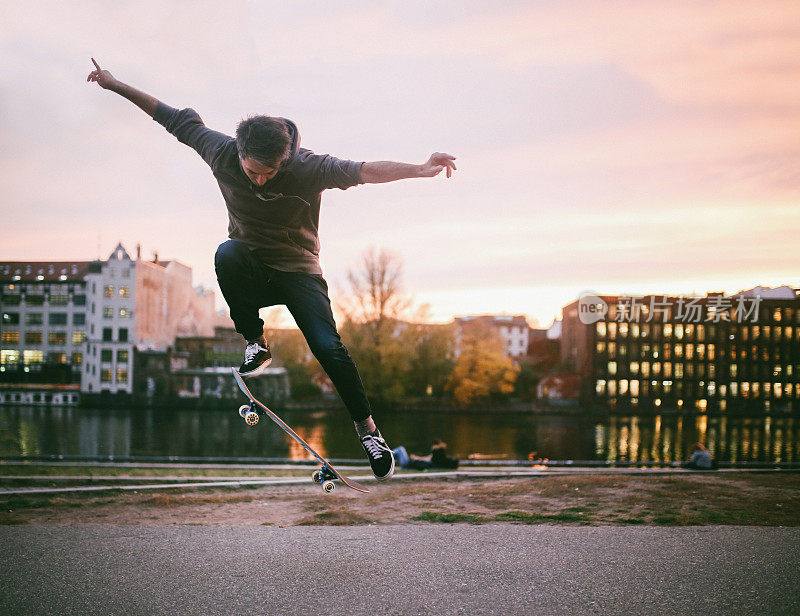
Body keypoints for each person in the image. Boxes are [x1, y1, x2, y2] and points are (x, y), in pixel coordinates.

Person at [87, 58, 456, 482]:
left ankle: (368, 432)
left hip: (300, 271)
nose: (260, 182)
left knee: (328, 347)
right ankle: (255, 341)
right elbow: (167, 116)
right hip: (252, 268)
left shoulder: (309, 167)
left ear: (285, 159)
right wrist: (113, 84)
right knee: (226, 253)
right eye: (252, 173)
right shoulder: (219, 150)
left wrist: (420, 169)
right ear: (239, 154)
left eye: (270, 173)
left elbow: (364, 170)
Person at [393, 439, 459, 470]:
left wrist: (415, 458)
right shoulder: (435, 460)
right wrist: (416, 457)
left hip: (407, 464)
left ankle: (386, 456)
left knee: (400, 449)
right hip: (408, 463)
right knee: (398, 452)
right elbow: (425, 458)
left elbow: (423, 460)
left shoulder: (435, 460)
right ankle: (388, 460)